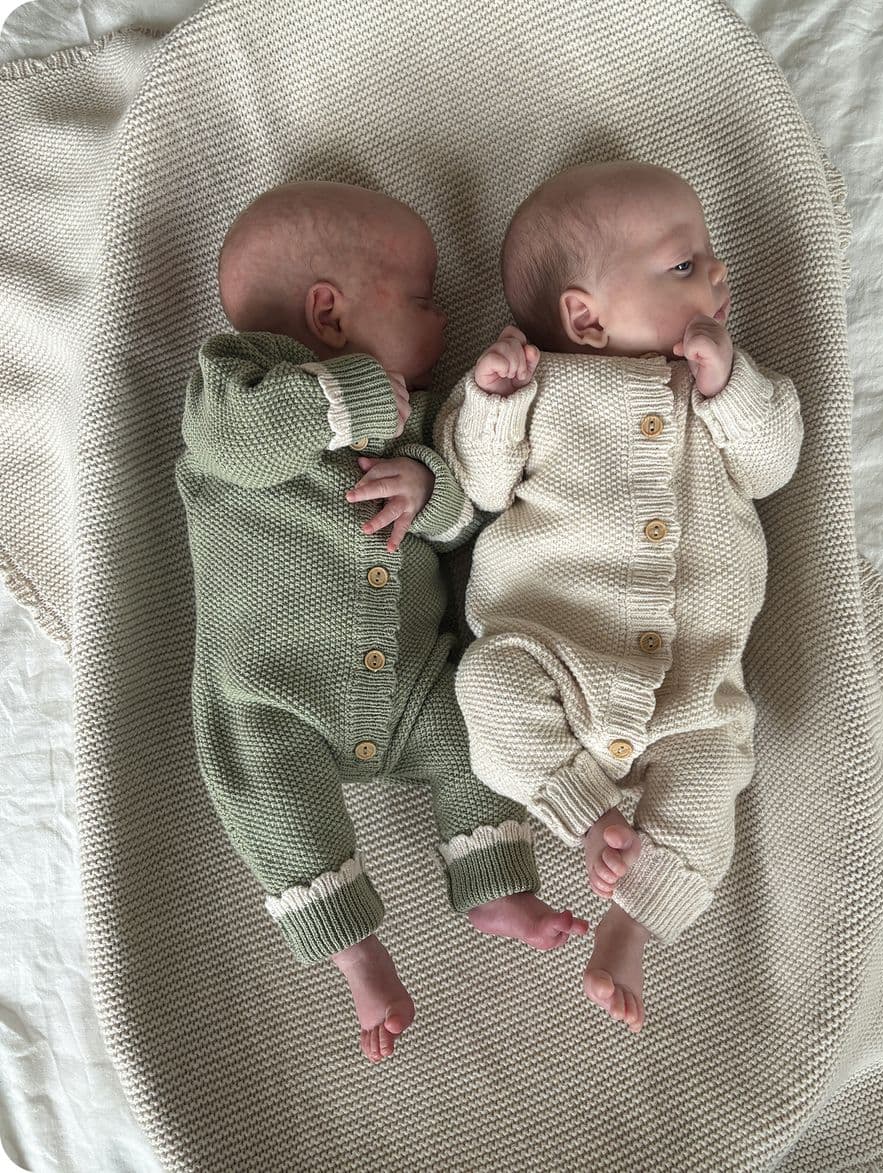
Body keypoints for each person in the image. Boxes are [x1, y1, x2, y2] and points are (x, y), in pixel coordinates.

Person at [175, 180, 587, 1064]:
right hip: (273, 693)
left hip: (412, 684)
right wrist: (359, 397)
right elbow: (242, 441)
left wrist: (428, 489)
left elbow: (466, 526)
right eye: (425, 299)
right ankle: (353, 949)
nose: (442, 325)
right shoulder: (231, 387)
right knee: (262, 788)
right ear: (329, 313)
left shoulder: (410, 435)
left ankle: (493, 881)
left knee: (477, 726)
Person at [435, 161, 803, 1033]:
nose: (717, 276)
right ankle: (581, 806)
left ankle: (631, 925)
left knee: (715, 777)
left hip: (693, 687)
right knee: (485, 684)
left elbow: (774, 462)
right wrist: (489, 401)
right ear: (584, 318)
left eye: (710, 260)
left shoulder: (714, 392)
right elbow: (476, 485)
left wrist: (730, 386)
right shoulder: (538, 388)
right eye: (685, 266)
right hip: (554, 655)